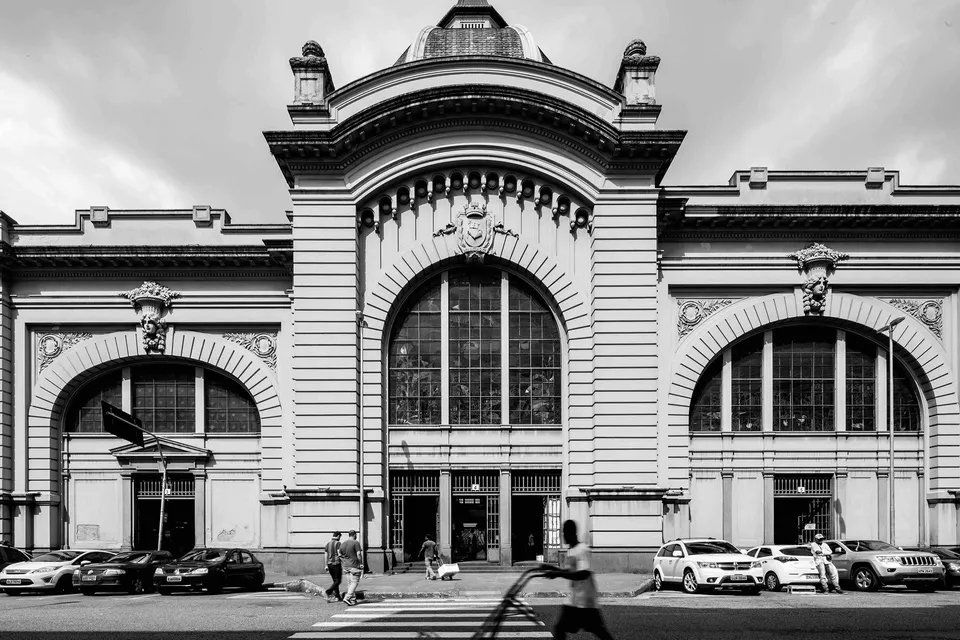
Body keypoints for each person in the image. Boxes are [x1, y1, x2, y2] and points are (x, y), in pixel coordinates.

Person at [546, 520, 614, 640]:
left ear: (571, 533)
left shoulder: (582, 549)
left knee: (596, 630)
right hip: (576, 600)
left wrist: (557, 573)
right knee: (597, 630)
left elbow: (583, 574)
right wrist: (550, 568)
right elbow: (568, 571)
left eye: (565, 533)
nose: (563, 536)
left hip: (585, 602)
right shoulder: (571, 550)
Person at [338, 529, 364, 606]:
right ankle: (347, 597)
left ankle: (353, 600)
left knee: (350, 583)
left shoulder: (343, 543)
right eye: (356, 535)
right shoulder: (355, 543)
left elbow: (339, 554)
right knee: (355, 582)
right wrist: (361, 563)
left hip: (346, 566)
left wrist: (344, 561)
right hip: (354, 566)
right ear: (354, 535)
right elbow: (358, 554)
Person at [324, 531, 342, 602]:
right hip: (336, 564)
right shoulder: (338, 543)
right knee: (338, 580)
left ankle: (337, 596)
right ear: (338, 536)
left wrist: (325, 565)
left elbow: (325, 555)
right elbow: (339, 554)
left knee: (335, 581)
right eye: (340, 537)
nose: (340, 538)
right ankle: (329, 591)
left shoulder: (327, 544)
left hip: (329, 564)